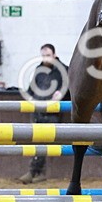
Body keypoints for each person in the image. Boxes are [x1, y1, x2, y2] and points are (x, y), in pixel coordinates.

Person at [20, 43, 68, 184]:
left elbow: (68, 87)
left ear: (54, 55)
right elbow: (31, 89)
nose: (45, 58)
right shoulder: (39, 69)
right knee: (39, 141)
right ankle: (37, 172)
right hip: (38, 110)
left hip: (52, 111)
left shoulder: (63, 71)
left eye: (48, 55)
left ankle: (33, 171)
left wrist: (61, 92)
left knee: (43, 141)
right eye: (43, 55)